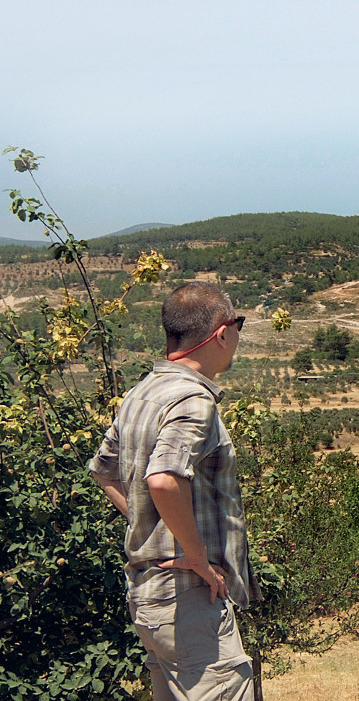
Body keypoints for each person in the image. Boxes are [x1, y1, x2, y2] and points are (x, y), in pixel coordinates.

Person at [89, 282, 260, 701]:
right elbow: (164, 480)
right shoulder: (192, 399)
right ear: (221, 332)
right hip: (188, 602)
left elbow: (104, 472)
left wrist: (150, 522)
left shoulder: (141, 393)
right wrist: (197, 556)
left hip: (151, 600)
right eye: (238, 324)